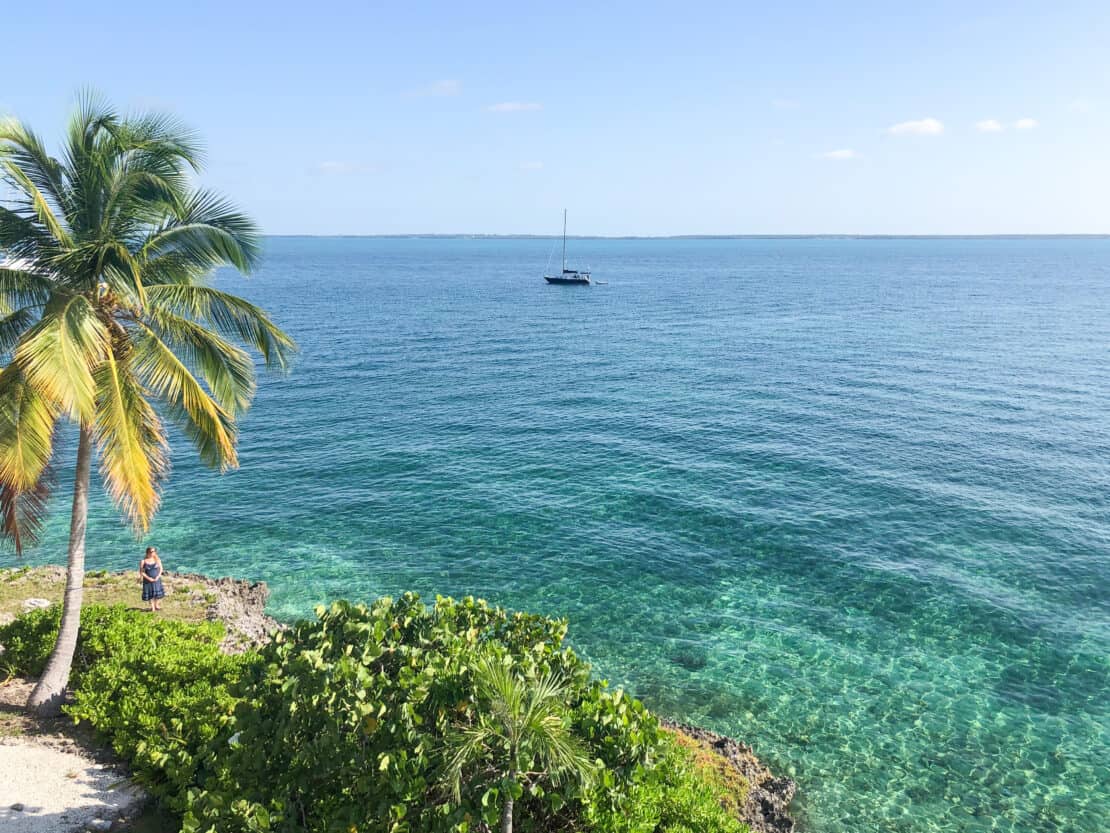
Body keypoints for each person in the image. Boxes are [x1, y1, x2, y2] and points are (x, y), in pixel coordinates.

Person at [140, 547, 165, 612]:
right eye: (151, 552)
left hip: (157, 579)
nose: (153, 553)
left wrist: (158, 576)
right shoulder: (143, 561)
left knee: (157, 593)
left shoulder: (157, 559)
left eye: (154, 551)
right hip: (147, 580)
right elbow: (142, 572)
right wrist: (149, 578)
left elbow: (161, 569)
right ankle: (152, 607)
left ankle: (156, 605)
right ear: (147, 552)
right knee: (150, 594)